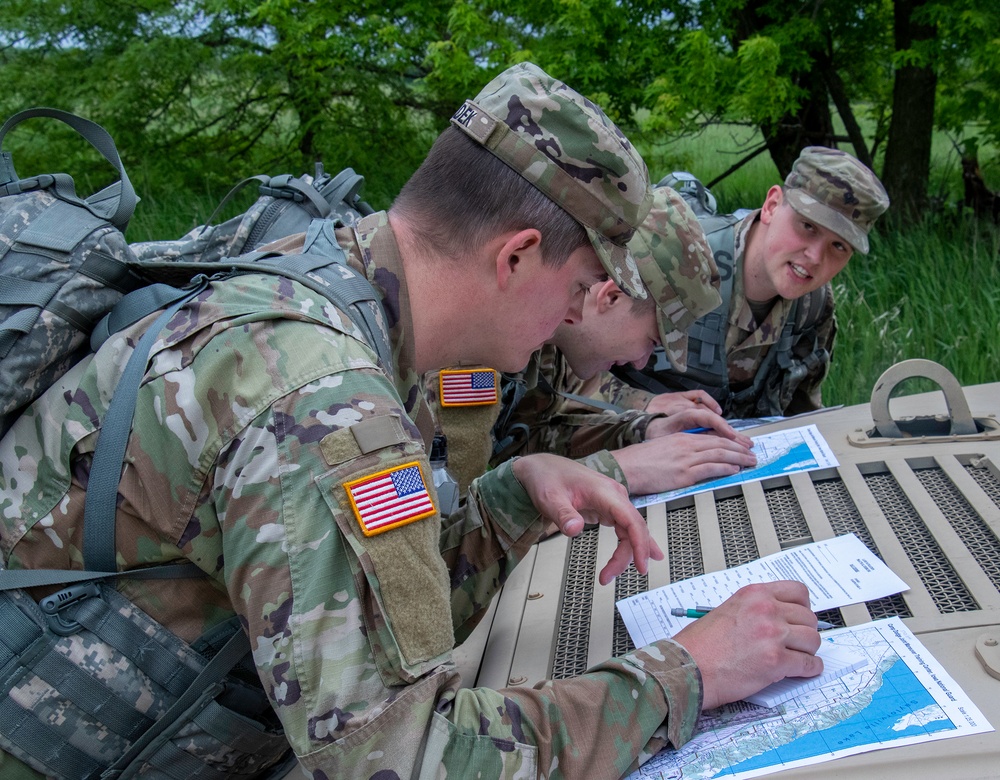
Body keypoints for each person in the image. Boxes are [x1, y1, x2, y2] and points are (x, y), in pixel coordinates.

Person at [0, 63, 822, 780]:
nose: (576, 317)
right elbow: (398, 764)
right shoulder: (326, 406)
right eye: (578, 290)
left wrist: (508, 499)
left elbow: (355, 617)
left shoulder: (329, 283)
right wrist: (687, 675)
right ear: (515, 255)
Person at [485, 185, 759, 499]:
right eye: (652, 340)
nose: (641, 362)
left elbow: (527, 439)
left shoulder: (551, 343)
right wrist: (616, 470)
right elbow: (451, 524)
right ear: (612, 297)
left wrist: (642, 431)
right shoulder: (484, 344)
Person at [610, 147, 891, 419]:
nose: (815, 257)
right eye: (808, 226)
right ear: (771, 206)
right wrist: (645, 404)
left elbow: (802, 413)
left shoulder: (814, 304)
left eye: (838, 246)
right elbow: (571, 371)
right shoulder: (674, 256)